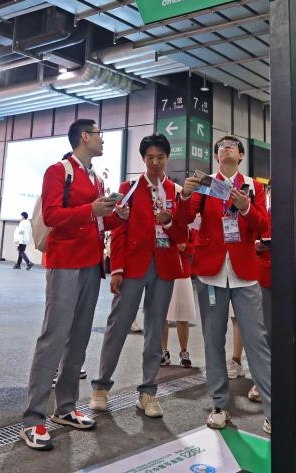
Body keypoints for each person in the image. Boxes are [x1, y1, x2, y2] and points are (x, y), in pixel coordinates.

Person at [20, 119, 129, 451]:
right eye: (98, 135)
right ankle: (33, 419)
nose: (102, 140)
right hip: (65, 262)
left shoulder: (95, 176)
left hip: (90, 264)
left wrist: (115, 216)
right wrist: (91, 209)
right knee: (54, 336)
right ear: (84, 137)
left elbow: (94, 219)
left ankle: (65, 408)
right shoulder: (59, 171)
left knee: (79, 338)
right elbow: (52, 215)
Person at [177, 135, 273, 433]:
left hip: (245, 273)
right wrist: (184, 197)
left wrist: (245, 207)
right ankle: (219, 404)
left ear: (241, 156)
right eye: (221, 147)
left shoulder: (254, 186)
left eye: (232, 146)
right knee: (213, 340)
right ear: (217, 156)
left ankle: (273, 409)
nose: (226, 149)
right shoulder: (204, 185)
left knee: (256, 341)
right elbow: (183, 221)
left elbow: (264, 227)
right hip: (211, 273)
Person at [90, 133, 187, 417]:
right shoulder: (129, 187)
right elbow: (119, 229)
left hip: (164, 266)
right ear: (143, 160)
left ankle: (148, 392)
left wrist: (170, 223)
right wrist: (117, 268)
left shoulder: (177, 192)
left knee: (156, 329)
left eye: (160, 157)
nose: (155, 163)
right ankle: (101, 387)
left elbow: (183, 234)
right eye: (150, 158)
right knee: (118, 325)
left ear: (168, 158)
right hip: (133, 266)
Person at [161, 214, 198, 369]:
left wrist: (186, 247)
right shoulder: (163, 220)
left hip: (183, 274)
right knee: (162, 315)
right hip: (165, 271)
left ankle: (184, 352)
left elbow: (196, 245)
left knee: (183, 315)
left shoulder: (190, 224)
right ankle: (163, 351)